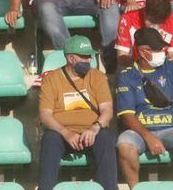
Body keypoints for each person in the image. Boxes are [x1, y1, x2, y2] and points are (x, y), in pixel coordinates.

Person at [115, 27, 173, 186]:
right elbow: (127, 115)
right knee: (124, 144)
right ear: (143, 52)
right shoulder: (127, 75)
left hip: (171, 129)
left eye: (162, 48)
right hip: (139, 131)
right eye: (156, 49)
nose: (162, 52)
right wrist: (148, 136)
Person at [39, 35, 119, 190]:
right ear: (70, 58)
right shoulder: (51, 79)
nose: (88, 60)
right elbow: (45, 115)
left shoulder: (97, 76)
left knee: (106, 137)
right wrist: (65, 132)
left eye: (90, 56)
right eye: (84, 57)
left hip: (92, 132)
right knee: (50, 140)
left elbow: (107, 110)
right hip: (62, 133)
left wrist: (95, 127)